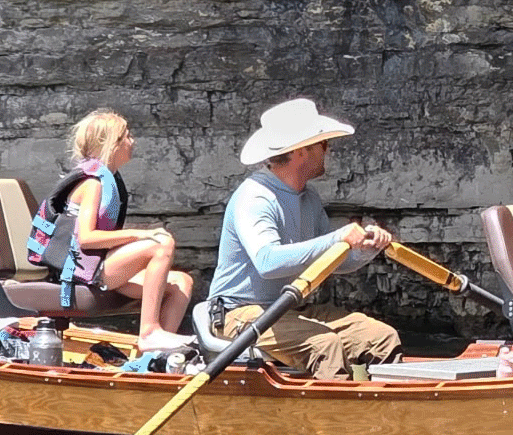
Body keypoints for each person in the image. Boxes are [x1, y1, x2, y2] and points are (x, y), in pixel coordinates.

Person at [207, 98, 401, 378]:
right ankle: (339, 419)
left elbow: (332, 260)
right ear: (302, 151)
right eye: (323, 144)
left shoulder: (309, 198)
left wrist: (366, 249)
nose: (328, 150)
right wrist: (338, 238)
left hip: (292, 309)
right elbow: (267, 262)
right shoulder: (255, 197)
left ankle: (396, 411)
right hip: (241, 313)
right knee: (325, 345)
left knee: (382, 337)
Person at [52, 110, 194, 354]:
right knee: (160, 244)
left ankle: (153, 359)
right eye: (126, 136)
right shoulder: (92, 184)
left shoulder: (109, 179)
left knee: (182, 282)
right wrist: (140, 235)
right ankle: (149, 332)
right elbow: (86, 239)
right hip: (84, 271)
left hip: (102, 266)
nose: (132, 141)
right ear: (111, 144)